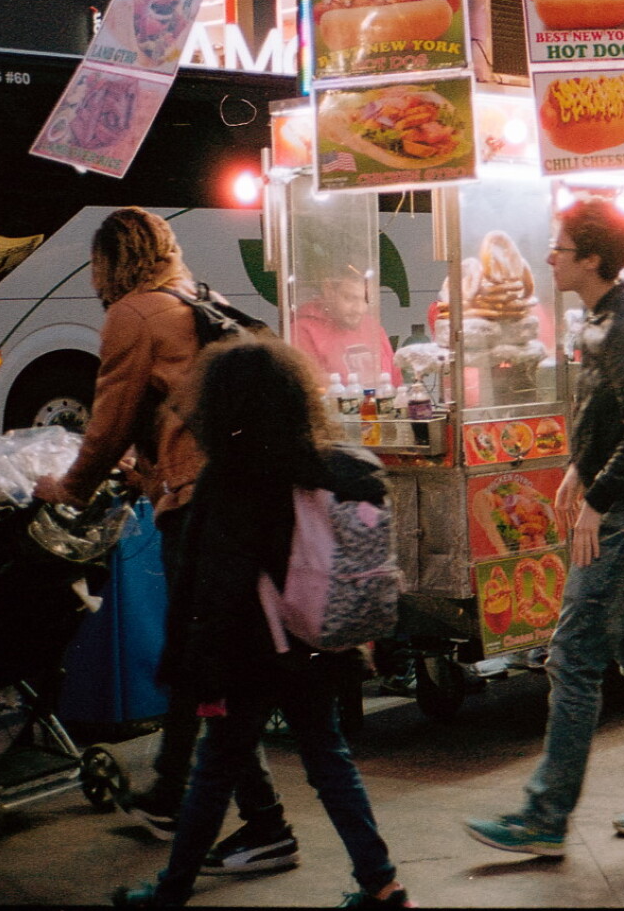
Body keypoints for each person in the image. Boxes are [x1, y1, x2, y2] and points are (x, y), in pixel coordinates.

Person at [110, 335, 407, 909]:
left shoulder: (229, 480)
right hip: (313, 645)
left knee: (213, 774)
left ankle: (170, 892)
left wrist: (198, 670)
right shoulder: (317, 465)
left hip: (248, 654)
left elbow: (214, 589)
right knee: (329, 760)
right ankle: (384, 885)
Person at [35, 209, 290, 873]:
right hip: (238, 497)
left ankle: (265, 823)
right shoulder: (201, 299)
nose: (93, 278)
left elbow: (111, 416)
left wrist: (70, 485)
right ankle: (171, 795)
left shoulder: (135, 314)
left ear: (112, 262)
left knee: (208, 663)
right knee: (194, 654)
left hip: (199, 505)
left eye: (95, 265)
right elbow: (180, 410)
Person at [465, 199, 624, 855]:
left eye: (561, 248)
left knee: (574, 656)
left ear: (593, 259)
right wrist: (579, 467)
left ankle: (544, 816)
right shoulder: (600, 318)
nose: (549, 256)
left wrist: (598, 501)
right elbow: (608, 417)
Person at [293, 267, 397, 389]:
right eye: (350, 298)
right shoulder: (303, 331)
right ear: (328, 290)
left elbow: (395, 381)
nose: (359, 309)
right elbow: (309, 389)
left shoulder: (373, 327)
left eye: (365, 300)